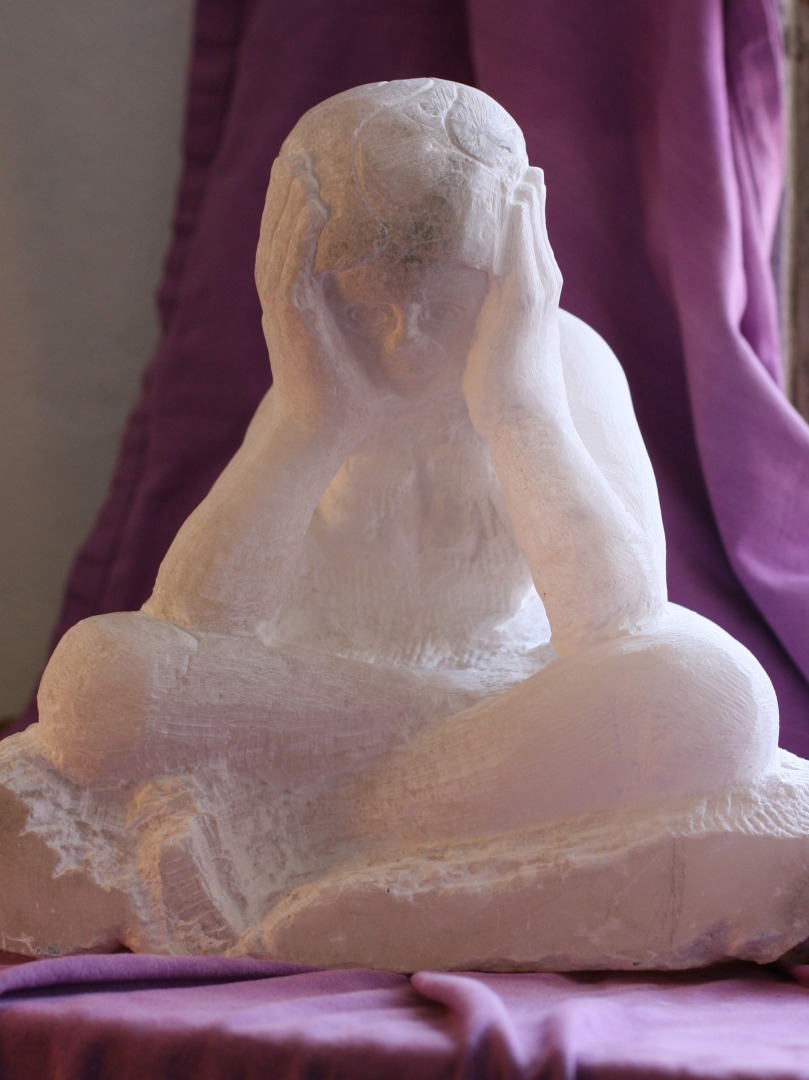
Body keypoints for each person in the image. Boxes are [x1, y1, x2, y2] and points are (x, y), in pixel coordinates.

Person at [0, 80, 782, 958]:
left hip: (514, 702)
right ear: (311, 294)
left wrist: (518, 411)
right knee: (94, 683)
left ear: (511, 278)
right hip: (323, 700)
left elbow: (619, 619)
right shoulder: (323, 380)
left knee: (710, 697)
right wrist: (311, 424)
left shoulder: (563, 365)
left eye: (440, 310)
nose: (401, 342)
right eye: (367, 310)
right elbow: (193, 620)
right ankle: (367, 812)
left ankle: (321, 834)